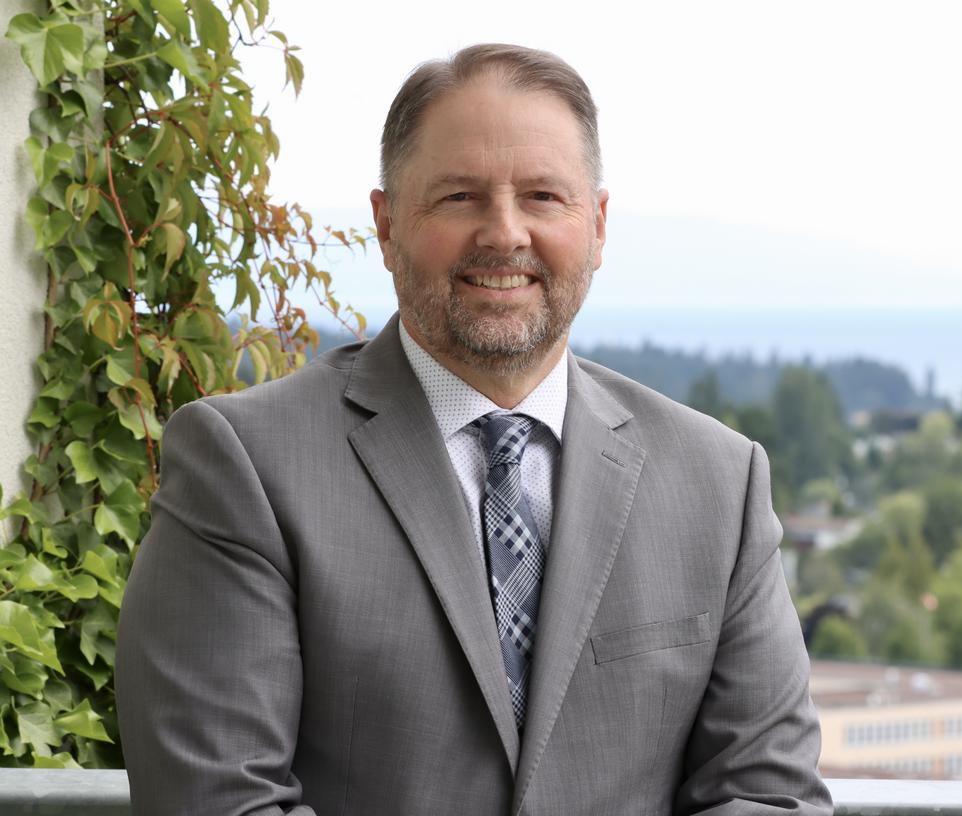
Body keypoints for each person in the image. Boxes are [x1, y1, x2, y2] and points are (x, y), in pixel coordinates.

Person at [116, 43, 832, 815]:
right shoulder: (245, 466)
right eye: (459, 196)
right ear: (387, 225)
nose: (503, 233)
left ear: (596, 226)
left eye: (543, 197)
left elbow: (766, 796)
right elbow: (217, 799)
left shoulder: (718, 483)